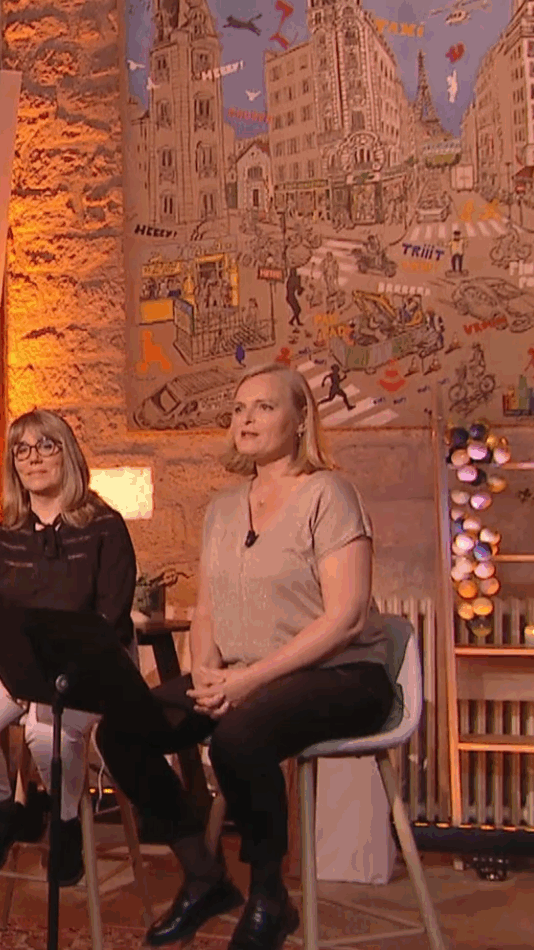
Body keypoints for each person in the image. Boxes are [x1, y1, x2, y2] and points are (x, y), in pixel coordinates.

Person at [95, 363, 393, 950]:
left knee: (239, 736)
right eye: (238, 409)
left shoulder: (329, 494)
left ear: (300, 419)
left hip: (343, 674)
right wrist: (207, 674)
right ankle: (204, 875)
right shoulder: (224, 508)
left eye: (264, 407)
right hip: (246, 676)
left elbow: (347, 617)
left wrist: (247, 681)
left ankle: (269, 897)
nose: (246, 419)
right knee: (122, 730)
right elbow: (208, 607)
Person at [0, 409, 136, 886]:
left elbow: (111, 616)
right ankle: (2, 813)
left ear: (68, 454)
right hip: (20, 666)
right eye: (22, 449)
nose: (33, 458)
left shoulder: (105, 527)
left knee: (45, 729)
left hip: (88, 665)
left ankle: (65, 824)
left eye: (46, 445)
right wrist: (18, 671)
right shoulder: (2, 537)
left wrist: (50, 679)